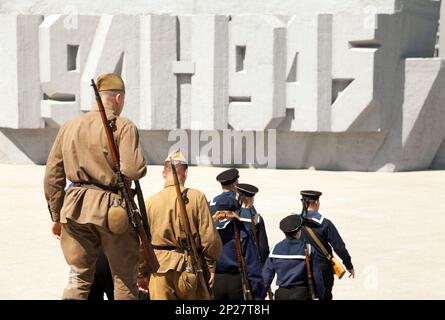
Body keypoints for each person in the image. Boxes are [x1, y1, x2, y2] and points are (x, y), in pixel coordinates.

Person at [44, 73, 147, 300]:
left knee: (78, 276)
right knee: (123, 278)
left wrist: (56, 214)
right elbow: (134, 171)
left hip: (74, 208)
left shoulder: (70, 126)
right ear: (118, 98)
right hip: (113, 210)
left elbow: (52, 176)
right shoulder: (123, 126)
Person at [138, 149, 222, 300]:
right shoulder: (197, 197)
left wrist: (141, 272)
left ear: (164, 173)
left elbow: (142, 243)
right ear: (185, 173)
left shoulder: (150, 203)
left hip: (159, 269)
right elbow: (209, 238)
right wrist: (210, 266)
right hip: (189, 267)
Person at [299, 190, 355, 300]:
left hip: (301, 266)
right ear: (316, 203)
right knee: (325, 296)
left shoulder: (296, 222)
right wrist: (349, 265)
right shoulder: (325, 224)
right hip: (322, 268)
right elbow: (339, 247)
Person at [263, 214, 324, 300]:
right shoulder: (308, 249)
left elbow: (266, 277)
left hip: (281, 295)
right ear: (299, 231)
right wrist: (321, 295)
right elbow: (317, 277)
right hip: (302, 294)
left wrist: (260, 296)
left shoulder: (275, 250)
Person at [212, 207, 265, 300]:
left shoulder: (210, 231)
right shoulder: (241, 231)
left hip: (214, 281)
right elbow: (252, 265)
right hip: (236, 282)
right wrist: (258, 294)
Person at [236, 183, 270, 266]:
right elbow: (263, 247)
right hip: (252, 262)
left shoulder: (232, 214)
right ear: (250, 198)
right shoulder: (257, 219)